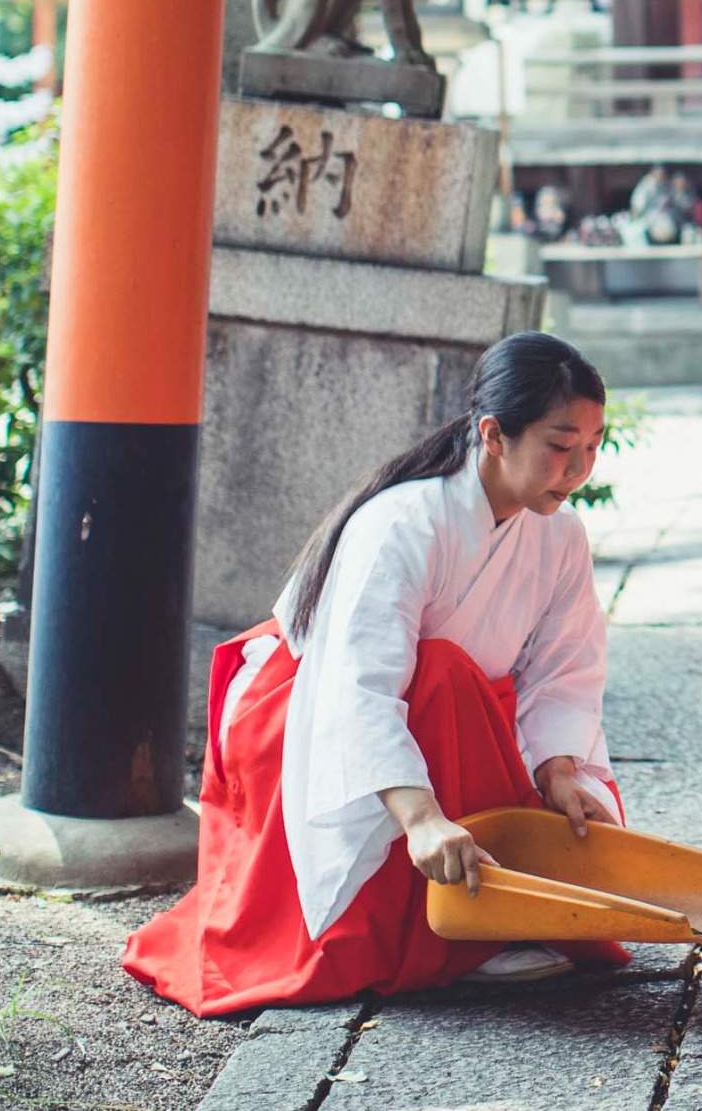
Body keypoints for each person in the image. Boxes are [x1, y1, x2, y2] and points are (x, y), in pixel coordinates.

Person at [123, 332, 628, 1016]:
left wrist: (559, 770)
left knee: (469, 696)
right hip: (315, 708)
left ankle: (477, 916)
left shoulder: (559, 535)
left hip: (453, 716)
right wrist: (420, 819)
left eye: (592, 447)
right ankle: (450, 931)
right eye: (561, 445)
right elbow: (357, 684)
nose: (578, 469)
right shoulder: (401, 524)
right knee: (446, 672)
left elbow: (564, 663)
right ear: (494, 435)